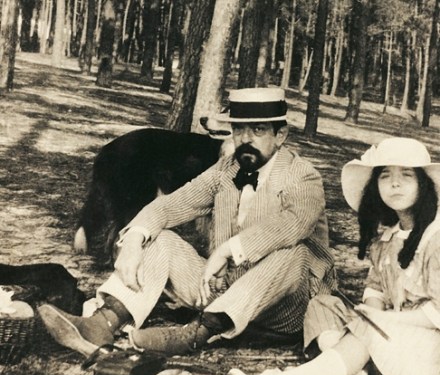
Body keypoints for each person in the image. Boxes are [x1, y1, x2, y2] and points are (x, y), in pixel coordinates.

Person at [39, 87, 336, 358]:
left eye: (258, 130)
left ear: (280, 135)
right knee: (159, 237)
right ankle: (102, 322)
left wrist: (227, 250)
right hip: (223, 290)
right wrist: (134, 238)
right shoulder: (227, 169)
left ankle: (194, 334)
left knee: (294, 252)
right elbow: (173, 204)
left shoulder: (303, 175)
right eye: (239, 129)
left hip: (285, 307)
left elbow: (293, 224)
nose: (246, 139)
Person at [228, 137, 440, 375]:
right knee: (322, 305)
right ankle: (357, 367)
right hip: (391, 330)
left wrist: (381, 319)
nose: (394, 183)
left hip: (428, 346)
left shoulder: (435, 237)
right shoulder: (387, 240)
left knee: (367, 327)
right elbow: (376, 290)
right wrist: (371, 312)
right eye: (385, 175)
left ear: (424, 184)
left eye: (406, 175)